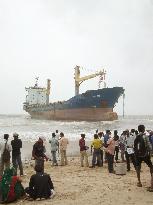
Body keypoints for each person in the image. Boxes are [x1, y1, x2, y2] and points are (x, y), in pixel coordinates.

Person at [134, 124, 153, 191]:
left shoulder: (136, 136)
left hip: (138, 155)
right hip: (145, 155)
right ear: (143, 129)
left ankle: (139, 182)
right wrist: (151, 153)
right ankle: (152, 180)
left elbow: (135, 146)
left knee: (138, 168)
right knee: (151, 166)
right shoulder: (145, 136)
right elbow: (149, 146)